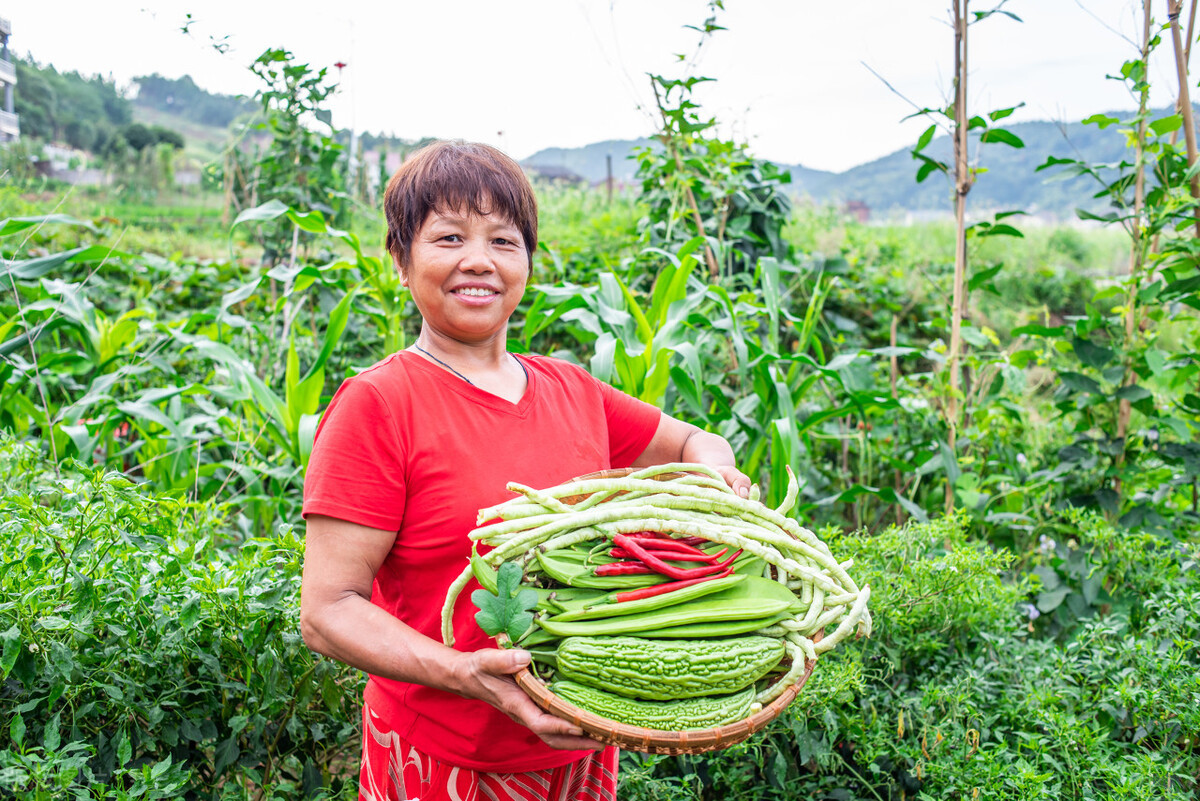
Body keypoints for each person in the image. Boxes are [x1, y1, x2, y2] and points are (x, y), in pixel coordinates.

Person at [300, 140, 751, 801]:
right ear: (400, 260)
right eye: (448, 236)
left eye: (503, 241)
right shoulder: (379, 404)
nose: (477, 260)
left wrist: (717, 479)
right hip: (445, 761)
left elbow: (696, 442)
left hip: (582, 747)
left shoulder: (572, 389)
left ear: (527, 262)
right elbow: (327, 610)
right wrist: (462, 671)